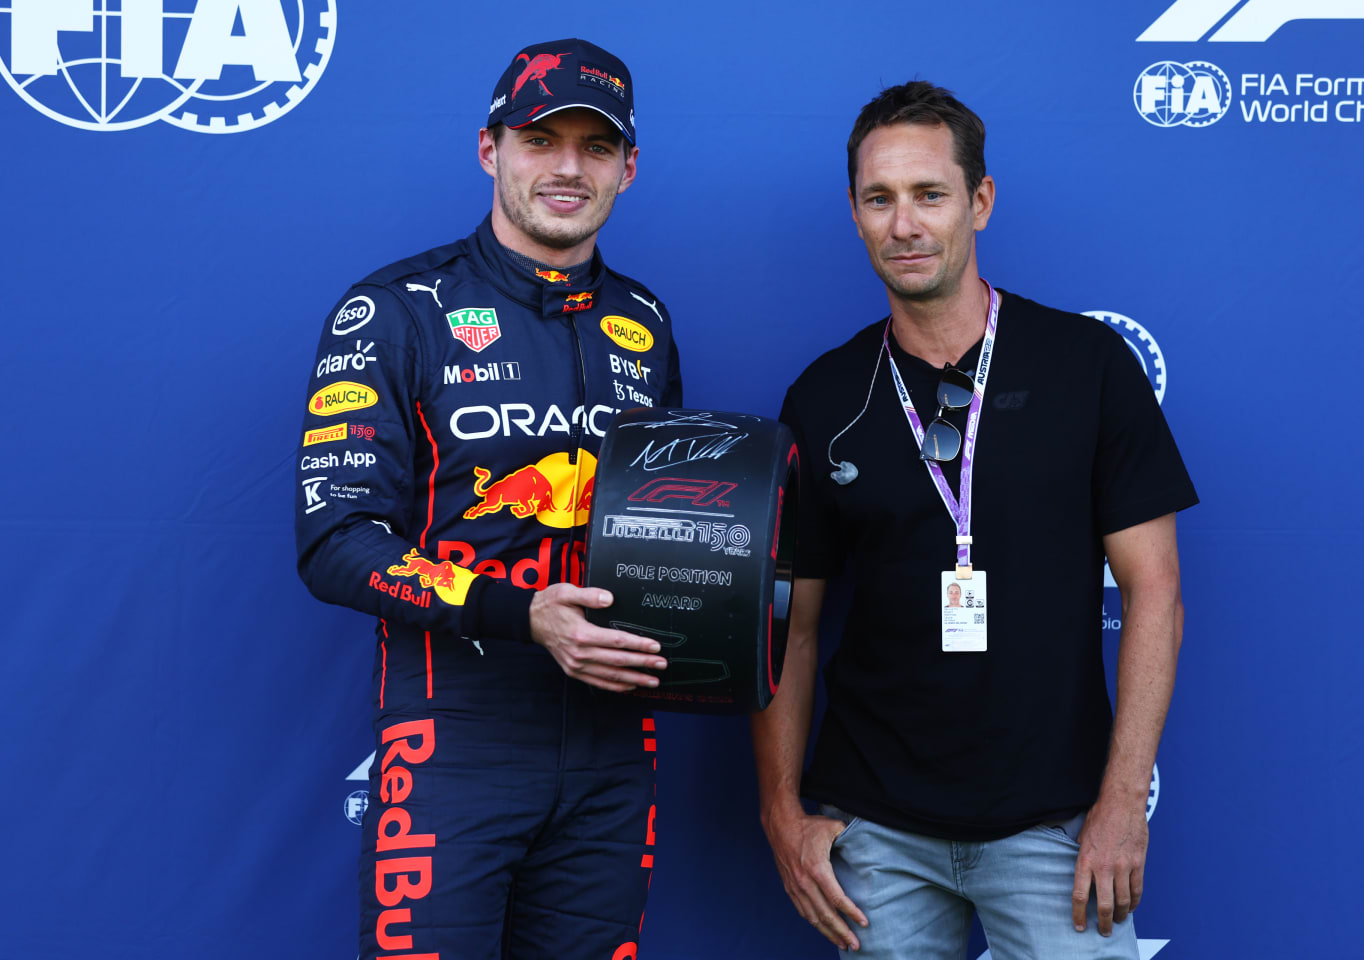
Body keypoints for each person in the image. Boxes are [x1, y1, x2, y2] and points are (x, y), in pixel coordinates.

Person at [753, 81, 1197, 958]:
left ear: (979, 201)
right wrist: (781, 814)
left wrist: (1119, 805)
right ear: (854, 213)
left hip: (1056, 828)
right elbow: (787, 628)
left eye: (929, 194)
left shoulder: (1088, 365)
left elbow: (1156, 593)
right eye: (879, 199)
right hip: (873, 834)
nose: (905, 224)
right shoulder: (824, 395)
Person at [295, 38, 681, 960]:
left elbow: (665, 529)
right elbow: (336, 541)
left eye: (594, 147)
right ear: (489, 149)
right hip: (454, 739)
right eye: (541, 139)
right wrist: (523, 615)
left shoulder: (647, 322)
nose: (566, 167)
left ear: (628, 169)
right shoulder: (395, 308)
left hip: (613, 746)